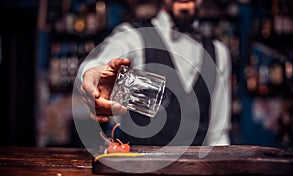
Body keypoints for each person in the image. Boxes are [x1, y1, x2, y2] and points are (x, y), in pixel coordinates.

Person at [78, 0, 232, 146]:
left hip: (194, 170)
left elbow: (218, 135)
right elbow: (97, 65)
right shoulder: (133, 36)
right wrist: (92, 76)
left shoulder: (219, 53)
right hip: (136, 169)